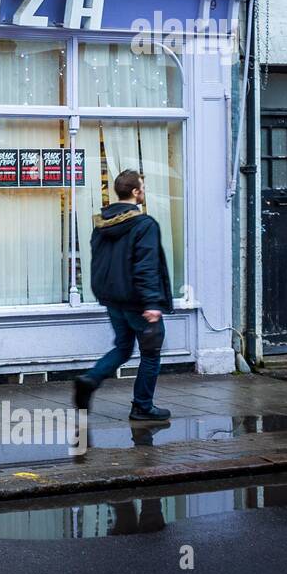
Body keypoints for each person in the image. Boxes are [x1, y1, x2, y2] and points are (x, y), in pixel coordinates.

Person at [73, 168, 174, 422]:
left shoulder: (101, 224)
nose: (144, 192)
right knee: (151, 354)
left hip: (113, 300)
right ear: (135, 192)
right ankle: (142, 406)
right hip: (139, 302)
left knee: (123, 347)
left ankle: (90, 379)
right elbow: (146, 265)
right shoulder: (144, 224)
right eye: (142, 187)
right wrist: (152, 302)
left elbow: (99, 261)